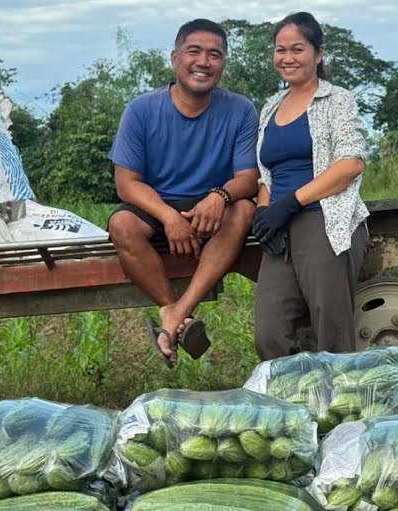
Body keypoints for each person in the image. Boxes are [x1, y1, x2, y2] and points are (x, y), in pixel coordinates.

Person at [108, 19, 260, 366]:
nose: (203, 62)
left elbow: (249, 178)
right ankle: (171, 311)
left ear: (223, 63)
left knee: (244, 210)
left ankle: (178, 313)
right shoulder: (142, 109)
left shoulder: (240, 110)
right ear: (175, 58)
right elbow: (127, 182)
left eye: (214, 55)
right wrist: (168, 217)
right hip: (159, 203)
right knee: (122, 226)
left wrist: (219, 196)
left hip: (212, 206)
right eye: (194, 52)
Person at [250, 12, 371, 361]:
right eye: (280, 50)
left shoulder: (337, 100)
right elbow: (265, 174)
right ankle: (293, 409)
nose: (287, 58)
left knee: (330, 328)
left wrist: (291, 203)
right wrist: (264, 213)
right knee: (269, 332)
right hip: (280, 228)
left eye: (297, 49)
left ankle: (340, 411)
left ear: (318, 54)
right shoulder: (271, 108)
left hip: (323, 218)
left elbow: (351, 163)